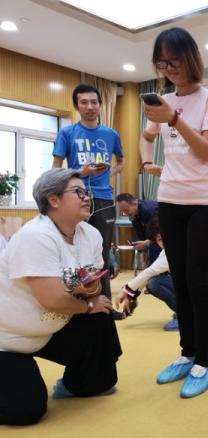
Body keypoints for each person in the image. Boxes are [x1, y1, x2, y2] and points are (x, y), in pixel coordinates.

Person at [139, 27, 208, 399]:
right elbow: (147, 135)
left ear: (190, 58)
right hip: (170, 201)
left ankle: (203, 361)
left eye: (173, 60)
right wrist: (147, 162)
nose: (168, 68)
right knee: (178, 280)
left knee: (197, 282)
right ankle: (187, 352)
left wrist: (173, 119)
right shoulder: (164, 100)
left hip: (204, 204)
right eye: (162, 62)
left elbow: (207, 152)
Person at [0, 169, 120, 425]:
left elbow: (95, 288)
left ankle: (75, 383)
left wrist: (90, 293)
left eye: (86, 192)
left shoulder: (90, 234)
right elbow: (52, 300)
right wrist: (87, 304)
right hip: (7, 339)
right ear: (53, 200)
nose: (87, 197)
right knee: (25, 411)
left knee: (101, 322)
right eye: (78, 192)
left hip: (49, 328)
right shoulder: (36, 235)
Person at [52, 83, 125, 300]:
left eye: (94, 102)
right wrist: (80, 172)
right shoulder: (67, 132)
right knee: (74, 250)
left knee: (102, 252)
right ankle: (78, 302)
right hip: (75, 197)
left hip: (104, 198)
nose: (90, 106)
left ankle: (104, 304)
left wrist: (108, 174)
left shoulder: (111, 134)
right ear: (77, 106)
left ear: (100, 105)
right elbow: (55, 169)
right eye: (84, 102)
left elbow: (121, 162)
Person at [116, 217, 208, 331]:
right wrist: (131, 294)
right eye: (161, 239)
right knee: (155, 279)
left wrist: (126, 291)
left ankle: (187, 316)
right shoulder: (183, 239)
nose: (166, 241)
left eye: (167, 235)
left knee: (154, 283)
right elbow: (151, 272)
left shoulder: (175, 250)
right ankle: (192, 314)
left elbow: (149, 272)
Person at [116, 193, 161, 265]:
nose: (125, 214)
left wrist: (146, 244)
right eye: (122, 212)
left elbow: (159, 234)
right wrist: (142, 253)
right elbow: (141, 234)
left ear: (134, 203)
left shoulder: (149, 210)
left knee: (155, 256)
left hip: (168, 236)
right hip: (156, 239)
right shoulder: (133, 215)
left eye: (126, 210)